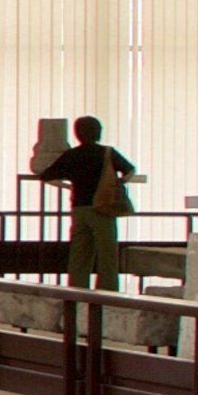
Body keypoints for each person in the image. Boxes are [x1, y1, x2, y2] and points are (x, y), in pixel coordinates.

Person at [38, 115, 138, 291]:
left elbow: (46, 176)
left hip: (79, 208)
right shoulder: (107, 152)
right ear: (98, 132)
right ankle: (107, 293)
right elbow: (130, 170)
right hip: (102, 208)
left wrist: (66, 186)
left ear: (77, 134)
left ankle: (77, 294)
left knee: (79, 255)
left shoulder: (72, 155)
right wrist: (118, 183)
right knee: (107, 254)